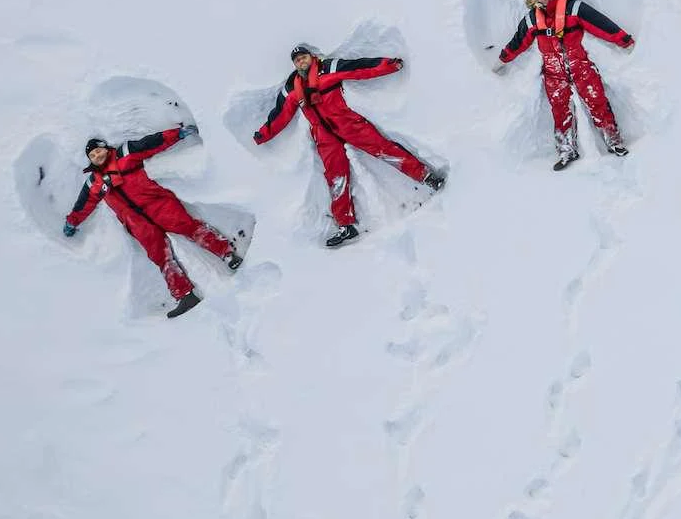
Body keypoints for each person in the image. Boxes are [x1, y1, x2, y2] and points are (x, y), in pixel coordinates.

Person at [253, 45, 445, 247]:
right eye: (297, 60)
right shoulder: (291, 88)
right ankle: (346, 226)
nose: (301, 61)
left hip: (347, 123)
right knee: (336, 178)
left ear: (311, 57)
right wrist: (262, 135)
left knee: (384, 149)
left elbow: (360, 68)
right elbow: (279, 115)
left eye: (303, 57)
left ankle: (426, 176)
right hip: (324, 135)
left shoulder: (329, 68)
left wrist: (389, 65)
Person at [63, 124, 241, 319]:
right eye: (93, 156)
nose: (97, 157)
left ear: (105, 147)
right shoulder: (93, 183)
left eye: (98, 151)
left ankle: (227, 254)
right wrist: (73, 222)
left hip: (158, 204)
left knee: (188, 226)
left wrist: (178, 134)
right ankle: (185, 295)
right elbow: (83, 205)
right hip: (137, 223)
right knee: (159, 256)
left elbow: (153, 142)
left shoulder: (125, 153)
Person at [496, 0, 636, 170]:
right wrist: (503, 59)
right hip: (553, 71)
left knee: (597, 101)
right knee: (560, 111)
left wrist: (623, 39)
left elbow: (600, 24)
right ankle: (566, 150)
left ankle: (614, 141)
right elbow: (518, 42)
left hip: (580, 64)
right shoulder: (531, 19)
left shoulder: (573, 8)